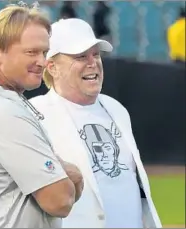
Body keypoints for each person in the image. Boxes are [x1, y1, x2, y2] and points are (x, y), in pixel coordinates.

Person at [0, 4, 84, 228]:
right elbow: (60, 200)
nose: (42, 62)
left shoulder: (2, 102)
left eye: (44, 52)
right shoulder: (1, 111)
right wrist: (75, 176)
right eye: (31, 52)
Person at [29, 18, 162, 228]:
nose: (93, 63)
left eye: (96, 54)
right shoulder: (34, 115)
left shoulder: (116, 108)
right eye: (81, 56)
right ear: (52, 67)